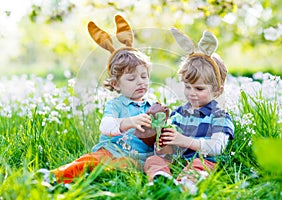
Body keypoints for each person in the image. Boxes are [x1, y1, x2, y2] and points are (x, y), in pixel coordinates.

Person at [38, 15, 155, 185]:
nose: (140, 82)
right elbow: (105, 126)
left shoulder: (152, 106)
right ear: (116, 84)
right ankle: (54, 177)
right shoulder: (115, 105)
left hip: (137, 159)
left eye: (144, 76)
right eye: (131, 79)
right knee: (90, 161)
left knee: (111, 167)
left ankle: (69, 182)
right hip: (110, 150)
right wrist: (129, 122)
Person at [144, 28, 234, 194]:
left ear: (217, 91)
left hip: (205, 160)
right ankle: (160, 180)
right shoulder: (179, 113)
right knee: (154, 159)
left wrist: (184, 140)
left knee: (198, 166)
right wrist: (162, 142)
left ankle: (184, 186)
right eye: (187, 87)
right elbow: (172, 150)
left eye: (199, 88)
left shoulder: (219, 115)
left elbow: (217, 147)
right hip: (178, 161)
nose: (192, 93)